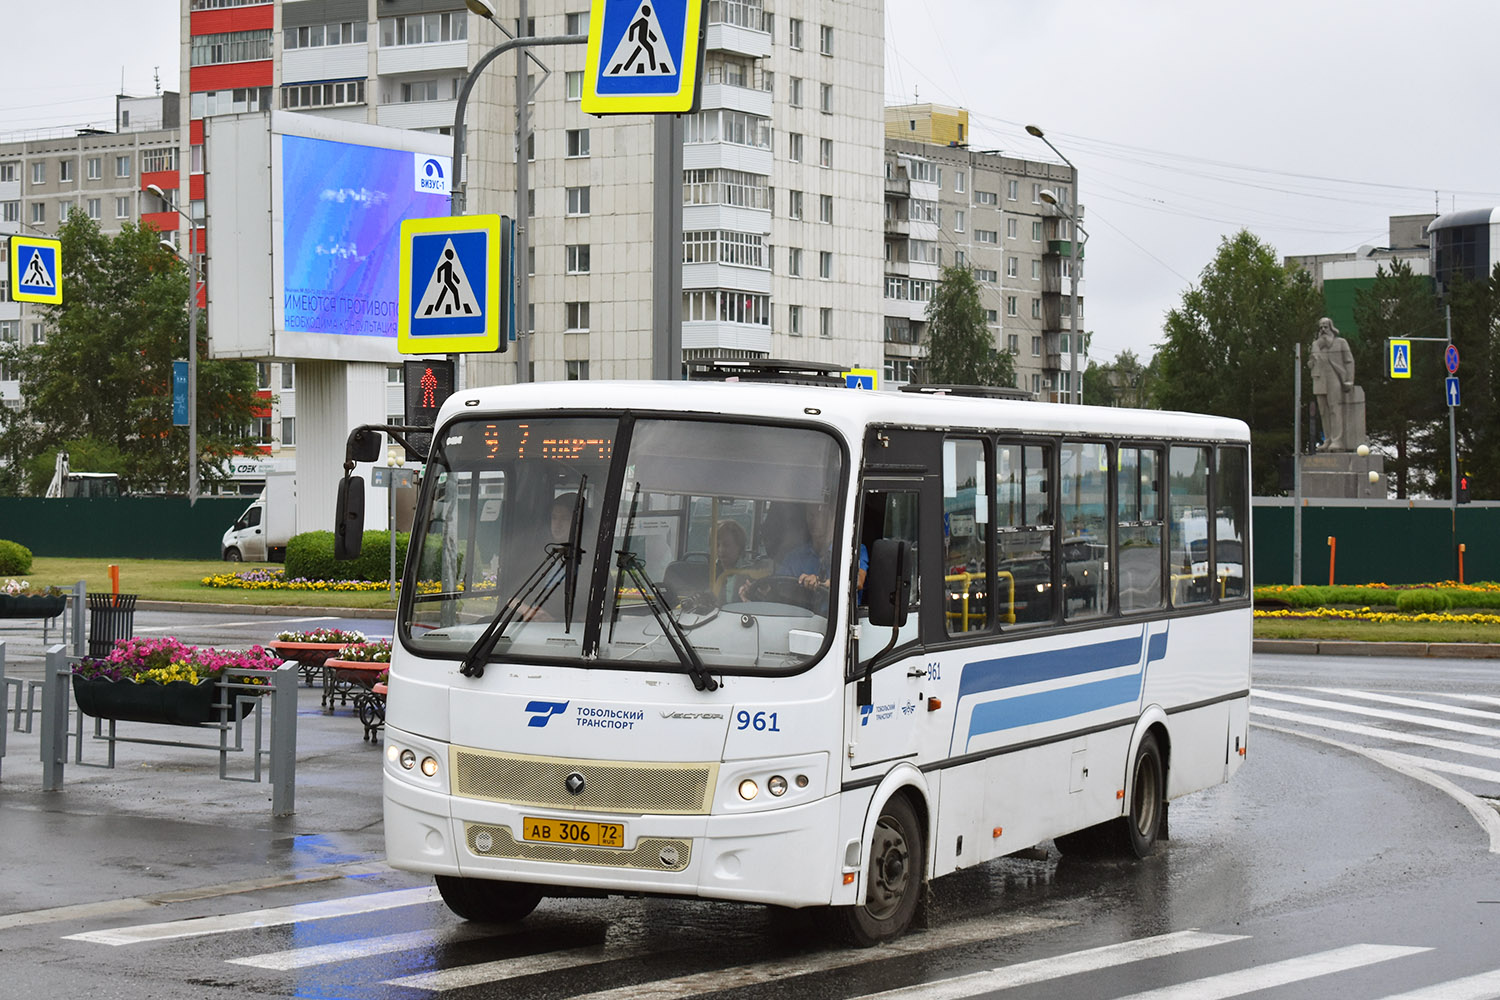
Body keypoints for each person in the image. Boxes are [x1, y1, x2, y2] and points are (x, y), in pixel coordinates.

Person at [1309, 317, 1355, 452]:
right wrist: (1313, 356)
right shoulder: (1316, 345)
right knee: (1323, 411)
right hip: (1319, 379)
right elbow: (1310, 364)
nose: (1323, 330)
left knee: (1335, 409)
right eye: (1321, 327)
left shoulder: (1340, 342)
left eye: (1326, 327)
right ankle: (1327, 439)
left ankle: (1337, 440)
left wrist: (1349, 380)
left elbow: (1349, 361)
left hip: (1334, 378)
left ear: (1331, 328)